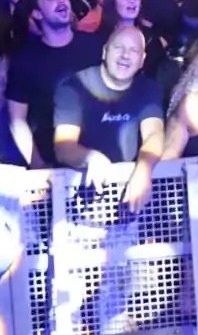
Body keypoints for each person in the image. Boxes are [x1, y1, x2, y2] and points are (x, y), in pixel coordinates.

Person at [52, 26, 164, 212]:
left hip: (129, 196)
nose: (125, 55)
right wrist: (91, 158)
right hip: (79, 198)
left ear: (142, 60)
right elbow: (63, 147)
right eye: (119, 47)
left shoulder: (148, 89)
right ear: (105, 52)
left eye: (133, 50)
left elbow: (154, 134)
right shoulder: (74, 87)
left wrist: (144, 169)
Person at [5, 0, 104, 167]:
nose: (61, 0)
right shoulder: (24, 60)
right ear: (37, 13)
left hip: (100, 157)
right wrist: (38, 165)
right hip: (52, 163)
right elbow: (17, 120)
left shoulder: (95, 45)